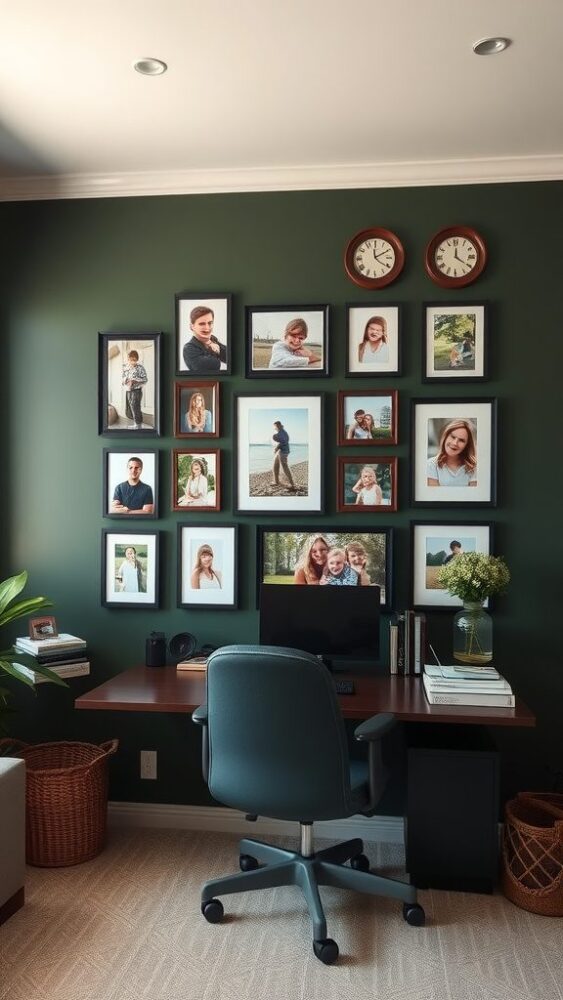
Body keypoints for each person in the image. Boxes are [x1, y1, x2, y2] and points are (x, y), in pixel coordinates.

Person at [427, 419, 477, 487]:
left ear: (467, 445)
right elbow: (434, 496)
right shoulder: (431, 465)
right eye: (453, 437)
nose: (455, 443)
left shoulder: (474, 467)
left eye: (461, 440)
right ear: (445, 437)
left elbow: (473, 496)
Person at [182, 306, 226, 373]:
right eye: (201, 324)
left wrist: (217, 348)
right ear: (192, 326)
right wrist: (214, 351)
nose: (207, 328)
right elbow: (214, 365)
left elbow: (231, 357)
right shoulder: (189, 348)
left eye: (210, 323)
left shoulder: (213, 339)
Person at [122, 349, 148, 429]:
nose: (132, 361)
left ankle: (138, 424)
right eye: (130, 360)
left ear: (137, 359)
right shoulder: (126, 368)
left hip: (137, 390)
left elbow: (145, 379)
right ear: (128, 359)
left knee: (135, 407)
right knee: (131, 407)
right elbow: (123, 378)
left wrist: (135, 380)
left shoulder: (140, 368)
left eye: (134, 360)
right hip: (128, 390)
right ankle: (137, 424)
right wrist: (125, 380)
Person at [271, 420, 297, 491]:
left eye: (275, 426)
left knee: (285, 467)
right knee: (275, 465)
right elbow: (281, 441)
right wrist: (277, 447)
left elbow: (284, 441)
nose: (274, 428)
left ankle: (292, 485)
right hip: (281, 451)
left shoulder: (282, 432)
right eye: (274, 427)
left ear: (278, 425)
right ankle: (276, 481)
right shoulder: (280, 432)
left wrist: (277, 447)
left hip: (283, 452)